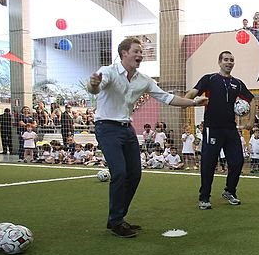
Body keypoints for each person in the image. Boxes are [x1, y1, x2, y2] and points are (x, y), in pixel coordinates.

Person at [89, 37, 208, 237]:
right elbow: (95, 88)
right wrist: (93, 84)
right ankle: (116, 221)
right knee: (119, 173)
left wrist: (194, 103)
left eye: (141, 52)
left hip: (127, 129)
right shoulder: (107, 71)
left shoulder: (143, 80)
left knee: (134, 174)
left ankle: (118, 218)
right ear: (124, 53)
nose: (140, 55)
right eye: (136, 51)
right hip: (106, 128)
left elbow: (166, 97)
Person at [186, 51, 254, 210]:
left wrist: (250, 121)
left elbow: (251, 99)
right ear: (219, 62)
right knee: (208, 164)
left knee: (238, 161)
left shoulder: (237, 83)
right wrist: (189, 100)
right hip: (212, 129)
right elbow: (192, 93)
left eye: (231, 60)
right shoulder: (209, 79)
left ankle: (230, 191)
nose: (229, 62)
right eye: (226, 60)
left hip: (230, 129)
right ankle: (204, 197)